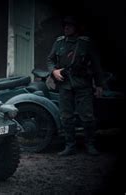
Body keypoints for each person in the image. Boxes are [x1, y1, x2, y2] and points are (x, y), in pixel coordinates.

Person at [47, 16, 104, 156]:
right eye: (65, 25)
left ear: (76, 28)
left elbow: (96, 65)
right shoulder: (59, 42)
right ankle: (69, 146)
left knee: (87, 116)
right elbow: (50, 59)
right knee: (66, 117)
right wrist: (53, 71)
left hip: (83, 84)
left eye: (70, 26)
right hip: (64, 84)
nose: (66, 28)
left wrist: (99, 85)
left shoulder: (85, 43)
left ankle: (90, 145)